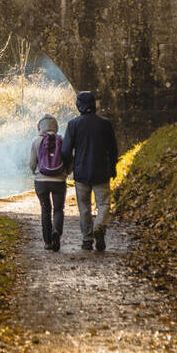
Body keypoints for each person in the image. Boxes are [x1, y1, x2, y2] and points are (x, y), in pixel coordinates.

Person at [61, 91, 119, 252]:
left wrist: (68, 168)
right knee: (104, 204)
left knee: (84, 208)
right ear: (93, 104)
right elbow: (113, 149)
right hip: (101, 172)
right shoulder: (105, 123)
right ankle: (99, 226)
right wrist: (112, 167)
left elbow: (66, 151)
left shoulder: (73, 124)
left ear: (79, 105)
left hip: (81, 173)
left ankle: (87, 240)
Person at [29, 114, 67, 251]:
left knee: (45, 210)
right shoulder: (62, 140)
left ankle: (48, 242)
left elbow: (32, 163)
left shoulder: (36, 141)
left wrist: (35, 173)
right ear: (55, 126)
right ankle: (56, 231)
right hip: (59, 181)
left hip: (41, 182)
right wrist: (65, 173)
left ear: (40, 127)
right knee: (58, 209)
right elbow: (69, 159)